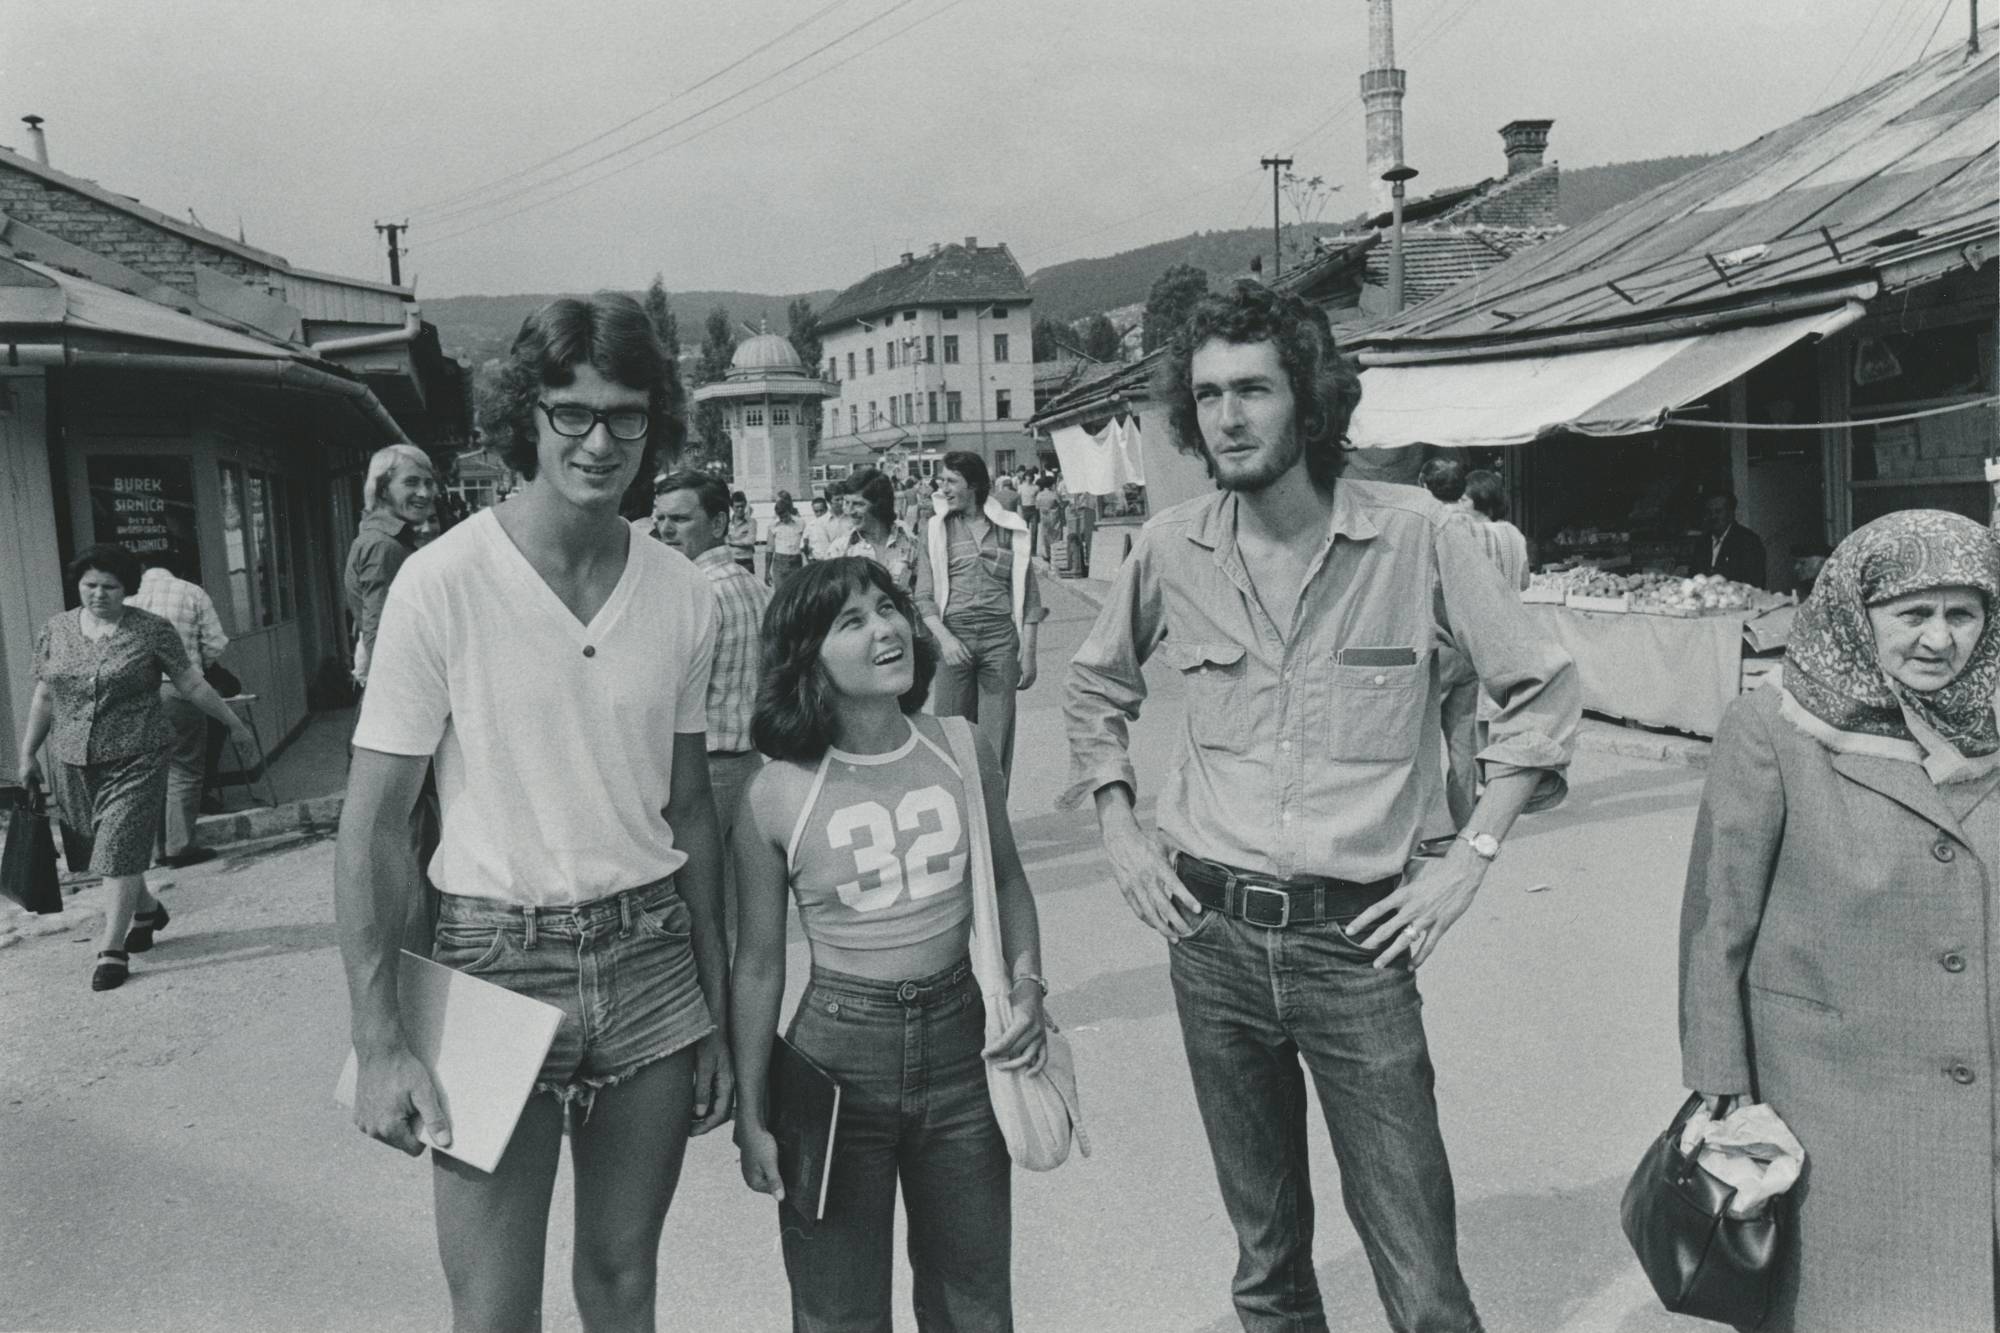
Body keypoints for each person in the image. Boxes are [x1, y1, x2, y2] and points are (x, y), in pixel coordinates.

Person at [1064, 281, 1579, 1332]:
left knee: (1422, 1281)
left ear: (1308, 398)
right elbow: (1093, 686)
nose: (1227, 417)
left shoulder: (1417, 538)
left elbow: (1541, 690)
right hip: (1209, 940)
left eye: (1252, 389)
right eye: (1207, 395)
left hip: (1355, 947)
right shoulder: (1170, 548)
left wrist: (1470, 856)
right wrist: (1117, 823)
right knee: (1266, 1269)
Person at [335, 293, 732, 1331]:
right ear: (527, 414)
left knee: (623, 1285)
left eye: (626, 414)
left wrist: (717, 1010)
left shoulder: (684, 593)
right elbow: (374, 825)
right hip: (492, 963)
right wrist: (379, 1038)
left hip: (650, 962)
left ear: (655, 422)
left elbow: (691, 807)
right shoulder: (441, 583)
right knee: (494, 1310)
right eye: (572, 412)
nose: (600, 442)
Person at [1679, 509, 2000, 1333]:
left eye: (1963, 614)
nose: (1940, 639)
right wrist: (1720, 1081)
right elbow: (1719, 920)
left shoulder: (1991, 721)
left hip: (1981, 1071)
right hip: (1830, 1092)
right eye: (1913, 613)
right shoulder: (1774, 727)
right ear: (1858, 612)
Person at [729, 557, 1047, 1331]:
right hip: (836, 1057)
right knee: (838, 1308)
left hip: (964, 1045)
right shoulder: (776, 792)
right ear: (807, 658)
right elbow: (760, 964)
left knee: (973, 1301)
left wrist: (1029, 986)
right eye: (853, 620)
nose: (886, 628)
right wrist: (751, 1108)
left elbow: (1008, 881)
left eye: (889, 607)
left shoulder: (964, 747)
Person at [15, 544, 254, 990]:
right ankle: (146, 910)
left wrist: (233, 723)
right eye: (90, 585)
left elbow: (190, 683)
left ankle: (111, 948)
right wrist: (28, 753)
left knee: (118, 846)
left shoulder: (151, 630)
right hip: (72, 760)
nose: (98, 594)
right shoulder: (56, 630)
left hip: (137, 756)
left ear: (127, 588)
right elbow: (45, 695)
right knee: (106, 853)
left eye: (109, 587)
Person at [655, 467, 772, 943]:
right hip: (750, 768)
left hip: (698, 774)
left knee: (692, 917)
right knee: (735, 918)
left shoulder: (692, 594)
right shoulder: (756, 587)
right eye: (660, 518)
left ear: (719, 523)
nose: (665, 530)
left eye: (680, 519)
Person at [915, 451, 1045, 793]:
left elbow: (1029, 596)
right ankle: (960, 814)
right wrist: (945, 640)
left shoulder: (1008, 529)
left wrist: (1029, 654)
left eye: (951, 481)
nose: (943, 489)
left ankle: (993, 816)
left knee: (994, 739)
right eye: (942, 481)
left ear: (973, 485)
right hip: (952, 638)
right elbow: (923, 597)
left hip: (1000, 640)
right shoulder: (935, 530)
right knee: (951, 736)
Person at [128, 559, 230, 868]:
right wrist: (199, 666)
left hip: (138, 693)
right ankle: (180, 847)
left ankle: (156, 849)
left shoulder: (128, 597)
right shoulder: (192, 592)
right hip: (180, 689)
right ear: (178, 569)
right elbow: (215, 643)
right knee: (185, 767)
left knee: (150, 770)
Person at [1418, 457, 1486, 829]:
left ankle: (1427, 827)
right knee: (1463, 742)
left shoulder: (1425, 526)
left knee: (1419, 741)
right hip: (1468, 646)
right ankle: (1464, 824)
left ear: (1423, 484)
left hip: (1435, 645)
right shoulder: (1479, 529)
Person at [344, 443, 436, 689]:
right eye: (411, 482)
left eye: (428, 483)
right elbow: (379, 631)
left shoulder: (389, 539)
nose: (424, 493)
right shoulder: (384, 545)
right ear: (383, 490)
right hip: (404, 684)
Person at [836, 468, 920, 593]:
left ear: (879, 505)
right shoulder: (841, 549)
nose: (849, 511)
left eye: (858, 504)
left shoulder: (910, 542)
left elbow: (922, 590)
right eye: (846, 503)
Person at [1462, 469, 1530, 593]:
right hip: (1511, 604)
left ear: (1481, 499)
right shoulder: (1513, 531)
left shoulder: (1473, 532)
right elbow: (1524, 582)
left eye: (1464, 500)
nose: (1459, 505)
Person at [1688, 491, 1766, 588]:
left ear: (1731, 513)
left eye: (1718, 511)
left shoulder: (1748, 541)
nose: (1713, 516)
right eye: (1709, 512)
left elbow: (1754, 583)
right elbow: (1693, 576)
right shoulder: (1702, 542)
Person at [765, 491, 806, 586]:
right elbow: (769, 549)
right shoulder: (773, 525)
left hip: (796, 562)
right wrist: (767, 572)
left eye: (785, 516)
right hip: (780, 562)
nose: (783, 519)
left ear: (789, 510)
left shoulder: (800, 523)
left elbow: (805, 545)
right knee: (781, 592)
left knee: (795, 591)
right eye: (781, 517)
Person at [728, 490, 758, 573]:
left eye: (742, 506)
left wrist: (731, 542)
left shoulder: (751, 522)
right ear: (732, 507)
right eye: (737, 507)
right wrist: (741, 542)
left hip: (746, 562)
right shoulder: (728, 523)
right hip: (732, 561)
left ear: (745, 505)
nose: (740, 509)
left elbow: (750, 541)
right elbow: (724, 540)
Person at [1033, 476, 1061, 563]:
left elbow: (1037, 507)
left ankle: (1047, 555)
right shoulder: (1054, 494)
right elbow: (1060, 504)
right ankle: (1055, 554)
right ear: (1051, 485)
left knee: (1045, 536)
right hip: (1054, 517)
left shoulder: (1039, 495)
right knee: (1056, 536)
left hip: (1044, 518)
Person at [1018, 470, 1042, 555]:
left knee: (1034, 531)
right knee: (1025, 531)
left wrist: (1039, 509)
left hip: (1033, 509)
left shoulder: (1036, 487)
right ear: (1024, 477)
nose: (1028, 478)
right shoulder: (1021, 487)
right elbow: (1019, 500)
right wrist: (1020, 511)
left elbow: (1038, 499)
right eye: (1027, 476)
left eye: (1030, 476)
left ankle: (1033, 550)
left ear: (1032, 478)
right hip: (1024, 509)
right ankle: (1025, 549)